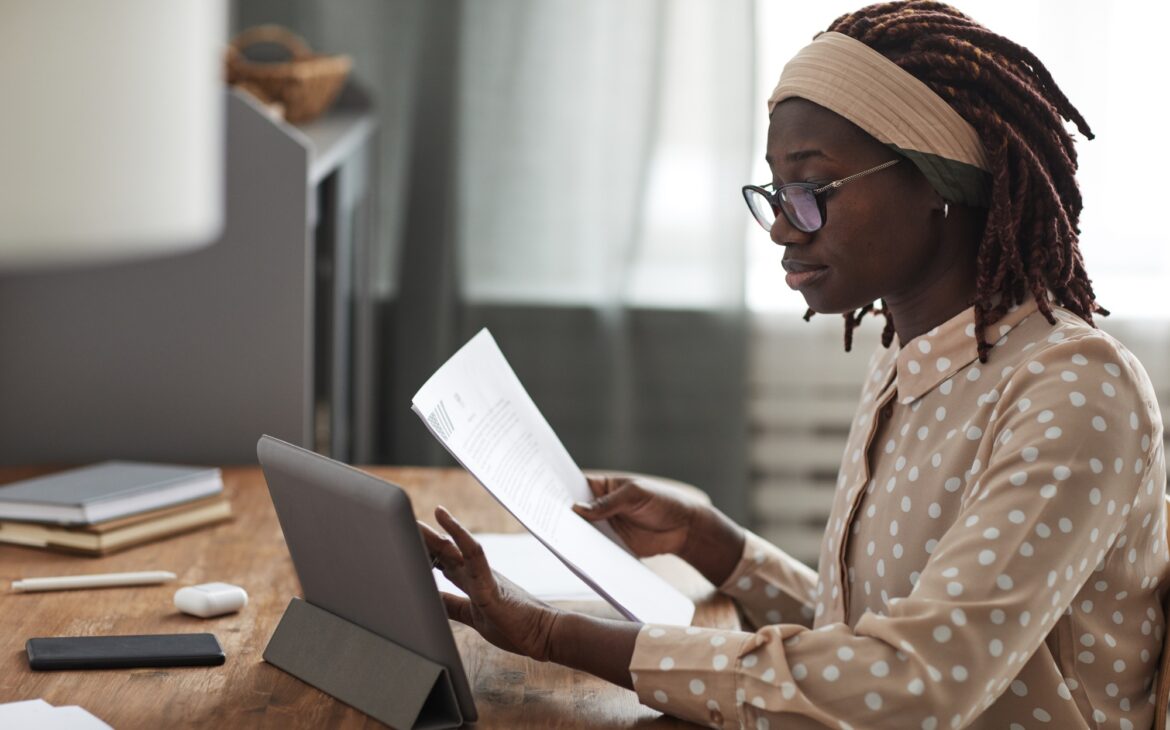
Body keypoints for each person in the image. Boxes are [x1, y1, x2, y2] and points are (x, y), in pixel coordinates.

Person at [419, 2, 1169, 727]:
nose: (782, 225)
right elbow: (868, 641)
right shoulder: (907, 362)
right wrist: (711, 542)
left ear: (936, 180)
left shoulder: (1073, 390)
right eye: (776, 192)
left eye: (811, 191)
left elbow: (911, 684)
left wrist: (559, 638)